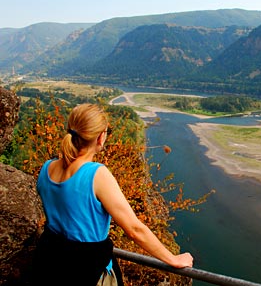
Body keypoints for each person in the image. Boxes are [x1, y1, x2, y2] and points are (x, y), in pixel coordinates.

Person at [32, 103, 193, 285]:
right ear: (101, 137)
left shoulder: (47, 168)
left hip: (48, 264)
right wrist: (173, 259)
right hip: (86, 270)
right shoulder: (96, 174)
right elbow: (134, 229)